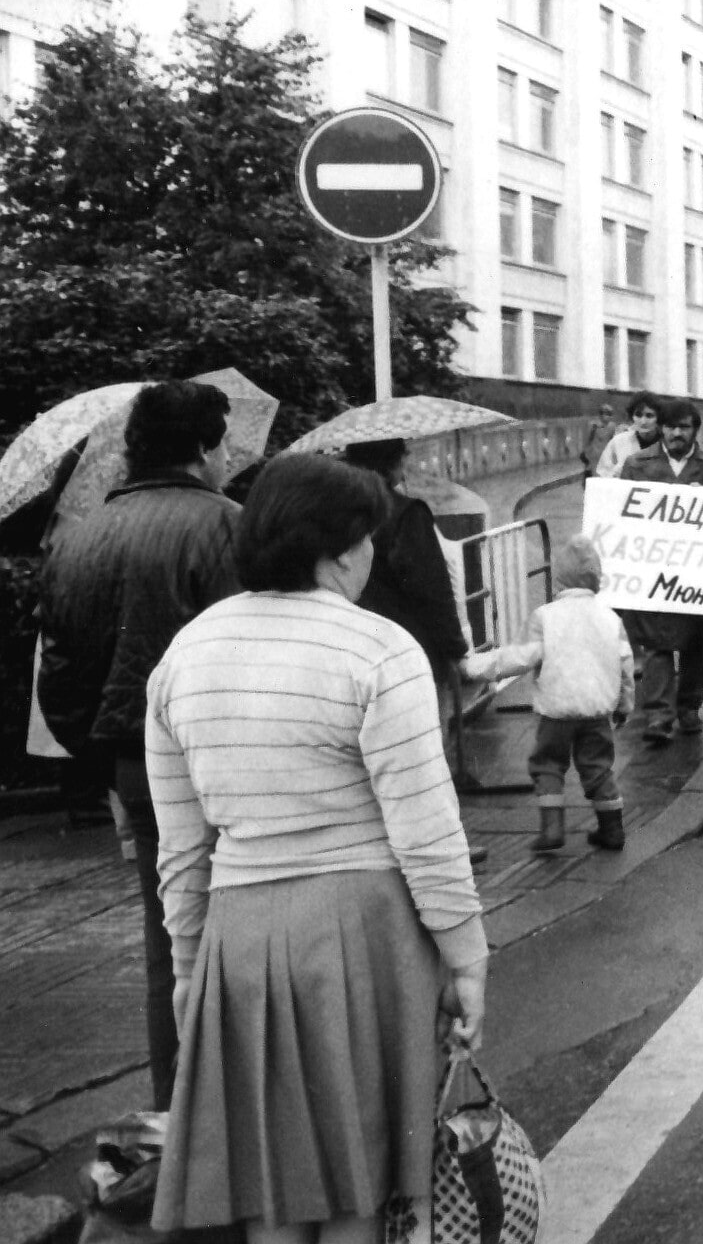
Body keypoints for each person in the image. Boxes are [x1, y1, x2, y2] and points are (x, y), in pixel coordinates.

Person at [145, 452, 487, 1243]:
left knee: (276, 1180)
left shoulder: (185, 655)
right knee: (358, 1184)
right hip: (366, 929)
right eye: (366, 540)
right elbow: (427, 829)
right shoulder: (379, 649)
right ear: (336, 551)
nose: (371, 555)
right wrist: (467, 958)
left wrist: (189, 965)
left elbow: (181, 845)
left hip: (239, 933)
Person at [38, 380, 240, 1110]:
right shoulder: (228, 527)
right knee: (248, 932)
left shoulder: (80, 536)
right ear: (203, 448)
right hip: (226, 762)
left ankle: (177, 1112)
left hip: (132, 765)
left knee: (170, 941)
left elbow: (60, 676)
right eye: (222, 445)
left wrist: (106, 761)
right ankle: (244, 1117)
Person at [463, 535, 635, 853]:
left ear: (559, 577)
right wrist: (624, 705)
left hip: (556, 711)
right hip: (597, 711)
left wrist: (474, 667)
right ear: (596, 578)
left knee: (548, 764)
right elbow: (625, 667)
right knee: (598, 767)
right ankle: (612, 829)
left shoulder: (545, 616)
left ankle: (552, 829)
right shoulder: (612, 619)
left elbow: (519, 657)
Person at [340, 439, 482, 818]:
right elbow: (431, 588)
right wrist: (454, 646)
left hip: (351, 651)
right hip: (411, 652)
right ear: (391, 462)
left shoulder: (331, 511)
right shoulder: (405, 514)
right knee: (423, 758)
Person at [617, 398, 703, 743]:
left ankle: (689, 708)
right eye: (670, 427)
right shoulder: (637, 464)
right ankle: (658, 715)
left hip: (698, 570)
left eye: (683, 427)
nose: (676, 434)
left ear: (695, 430)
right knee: (656, 645)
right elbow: (620, 513)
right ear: (661, 429)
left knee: (693, 643)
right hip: (654, 569)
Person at [595, 391, 660, 478]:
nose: (643, 421)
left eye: (649, 416)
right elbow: (603, 473)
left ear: (658, 418)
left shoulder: (665, 444)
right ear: (632, 416)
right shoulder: (619, 441)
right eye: (638, 415)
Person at [580, 403, 619, 479]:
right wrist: (587, 455)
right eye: (607, 414)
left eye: (610, 414)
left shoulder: (612, 426)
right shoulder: (593, 426)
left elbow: (613, 441)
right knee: (595, 476)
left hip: (606, 457)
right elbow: (587, 441)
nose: (609, 417)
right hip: (594, 456)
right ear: (601, 415)